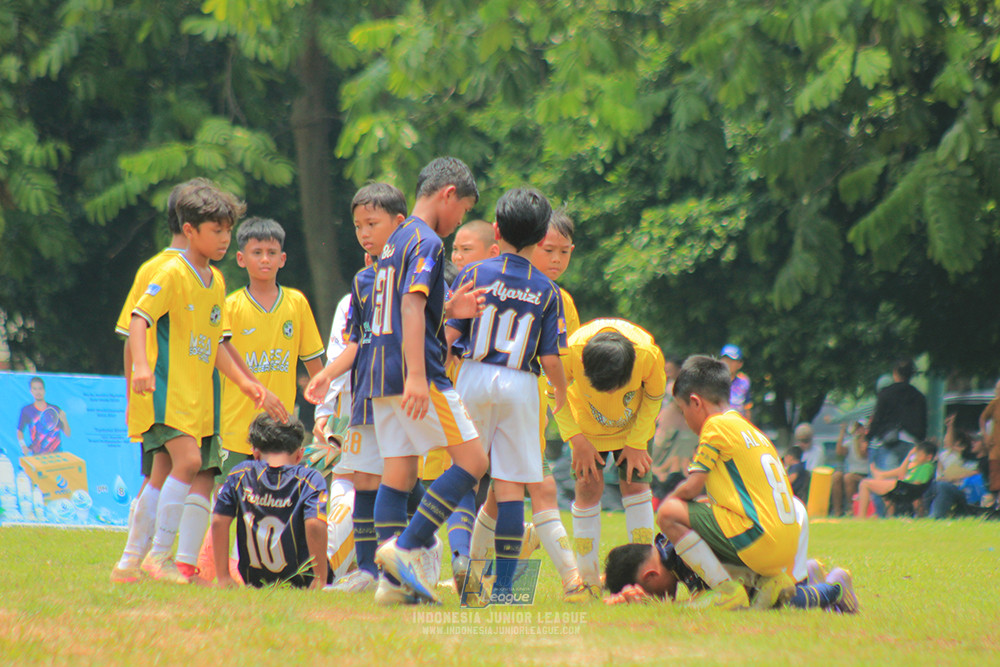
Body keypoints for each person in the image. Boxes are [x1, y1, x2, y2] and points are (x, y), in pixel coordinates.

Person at [110, 183, 268, 584]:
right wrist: (141, 368)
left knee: (162, 471)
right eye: (216, 230)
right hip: (166, 393)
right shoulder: (169, 272)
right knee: (190, 463)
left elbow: (215, 344)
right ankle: (159, 557)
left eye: (227, 231)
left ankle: (129, 563)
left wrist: (245, 383)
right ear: (189, 229)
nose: (224, 239)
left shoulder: (214, 281)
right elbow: (139, 320)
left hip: (195, 398)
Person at [355, 158, 490, 606]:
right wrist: (417, 375)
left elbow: (402, 303)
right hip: (416, 371)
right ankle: (406, 549)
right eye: (463, 210)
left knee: (399, 471)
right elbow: (411, 308)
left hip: (378, 371)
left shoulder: (396, 239)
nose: (458, 224)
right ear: (448, 194)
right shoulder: (429, 240)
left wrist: (450, 310)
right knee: (472, 461)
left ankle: (391, 586)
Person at [444, 187, 568, 602]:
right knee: (511, 485)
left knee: (465, 472)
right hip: (521, 383)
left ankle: (464, 562)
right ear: (539, 237)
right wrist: (562, 391)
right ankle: (507, 590)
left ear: (497, 229)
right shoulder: (547, 290)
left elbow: (449, 335)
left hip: (474, 374)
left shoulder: (475, 273)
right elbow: (550, 358)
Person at [467, 208, 590, 602]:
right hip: (514, 404)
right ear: (533, 244)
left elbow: (562, 370)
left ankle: (473, 579)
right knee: (540, 490)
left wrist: (569, 423)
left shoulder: (560, 299)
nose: (555, 259)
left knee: (500, 495)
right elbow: (554, 368)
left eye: (564, 252)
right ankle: (574, 580)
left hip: (524, 408)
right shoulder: (537, 290)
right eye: (548, 249)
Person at [305, 183, 408, 595]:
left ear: (398, 224)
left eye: (372, 223)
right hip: (366, 395)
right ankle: (366, 571)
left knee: (400, 480)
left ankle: (403, 565)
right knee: (365, 479)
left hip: (403, 391)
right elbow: (355, 343)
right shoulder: (363, 280)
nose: (364, 233)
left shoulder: (415, 270)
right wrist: (328, 375)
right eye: (357, 226)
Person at [656, 355, 800, 610]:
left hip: (759, 541)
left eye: (682, 410)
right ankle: (770, 580)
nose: (685, 419)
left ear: (695, 402)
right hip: (786, 548)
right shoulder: (751, 430)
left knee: (668, 513)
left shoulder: (715, 427)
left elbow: (691, 487)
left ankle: (725, 590)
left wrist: (671, 500)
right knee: (703, 510)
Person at [547, 317, 666, 588]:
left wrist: (637, 442)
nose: (610, 392)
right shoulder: (570, 352)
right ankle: (587, 579)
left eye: (616, 386)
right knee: (587, 487)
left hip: (634, 428)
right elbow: (554, 394)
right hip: (586, 432)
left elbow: (654, 396)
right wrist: (577, 440)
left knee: (636, 485)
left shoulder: (647, 353)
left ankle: (643, 574)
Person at [603, 497, 858, 613]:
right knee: (764, 593)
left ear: (650, 575)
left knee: (781, 604)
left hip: (779, 523)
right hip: (780, 511)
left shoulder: (684, 557)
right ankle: (806, 571)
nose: (661, 600)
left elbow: (727, 599)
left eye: (655, 595)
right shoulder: (670, 541)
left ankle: (836, 585)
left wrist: (665, 609)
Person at [219, 216, 325, 474]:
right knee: (232, 504)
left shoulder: (296, 303)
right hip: (236, 428)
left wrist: (326, 412)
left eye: (271, 252)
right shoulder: (230, 307)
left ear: (283, 259)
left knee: (276, 503)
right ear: (241, 259)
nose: (265, 259)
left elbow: (316, 369)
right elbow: (219, 358)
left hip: (280, 427)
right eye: (257, 252)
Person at [212, 414, 328, 589]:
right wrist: (320, 579)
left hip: (254, 580)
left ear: (255, 452)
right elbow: (314, 524)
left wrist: (223, 577)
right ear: (299, 454)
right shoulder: (310, 479)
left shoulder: (240, 474)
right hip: (301, 580)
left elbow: (218, 522)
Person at [651, 357, 698, 498]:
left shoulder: (683, 388)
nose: (668, 373)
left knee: (679, 461)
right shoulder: (667, 385)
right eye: (666, 370)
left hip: (680, 431)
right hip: (667, 428)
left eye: (670, 370)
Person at [867, 359, 927, 470]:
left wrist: (869, 437)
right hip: (912, 442)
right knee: (907, 479)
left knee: (888, 481)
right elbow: (923, 423)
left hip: (890, 441)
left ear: (895, 372)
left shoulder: (885, 394)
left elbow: (878, 419)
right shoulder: (919, 397)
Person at [855, 440, 937, 519]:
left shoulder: (927, 466)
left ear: (928, 457)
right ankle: (881, 475)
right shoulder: (917, 465)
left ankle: (861, 517)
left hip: (905, 489)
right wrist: (909, 456)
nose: (916, 457)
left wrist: (903, 482)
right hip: (903, 487)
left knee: (864, 483)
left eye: (919, 455)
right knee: (874, 483)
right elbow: (902, 472)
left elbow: (916, 484)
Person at [16, 377, 71, 457]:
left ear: (44, 391)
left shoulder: (55, 409)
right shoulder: (26, 410)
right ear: (31, 391)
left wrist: (64, 420)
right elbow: (20, 431)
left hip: (57, 455)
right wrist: (23, 446)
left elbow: (68, 433)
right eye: (35, 389)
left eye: (40, 388)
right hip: (38, 456)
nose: (38, 392)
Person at [829, 420, 868, 516]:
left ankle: (852, 508)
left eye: (861, 428)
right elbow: (839, 452)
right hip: (851, 472)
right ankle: (837, 510)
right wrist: (842, 432)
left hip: (865, 474)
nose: (859, 430)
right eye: (858, 428)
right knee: (836, 476)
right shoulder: (851, 442)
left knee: (848, 478)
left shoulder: (869, 443)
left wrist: (862, 441)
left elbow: (862, 454)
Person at [979, 379, 1000, 496]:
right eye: (997, 389)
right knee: (995, 478)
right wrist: (985, 435)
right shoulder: (995, 404)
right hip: (996, 447)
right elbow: (983, 418)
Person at [720, 344, 751, 418]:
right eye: (726, 360)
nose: (728, 363)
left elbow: (747, 407)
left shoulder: (744, 382)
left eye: (732, 361)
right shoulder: (713, 381)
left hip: (738, 423)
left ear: (740, 364)